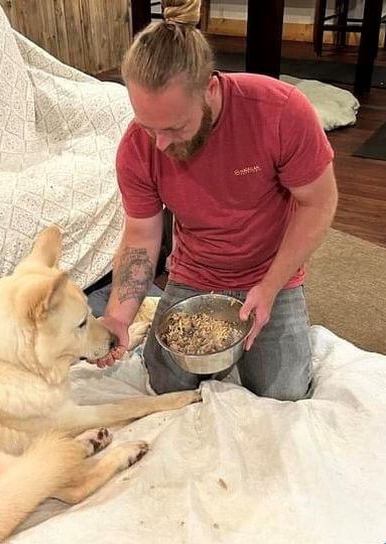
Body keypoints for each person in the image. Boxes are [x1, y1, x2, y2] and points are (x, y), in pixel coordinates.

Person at [96, 0, 338, 401]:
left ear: (209, 89)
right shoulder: (137, 148)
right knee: (164, 386)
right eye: (146, 126)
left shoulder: (280, 111)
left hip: (270, 271)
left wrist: (271, 286)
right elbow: (141, 234)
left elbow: (318, 203)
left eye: (175, 127)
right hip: (195, 275)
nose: (160, 143)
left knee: (285, 395)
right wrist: (118, 316)